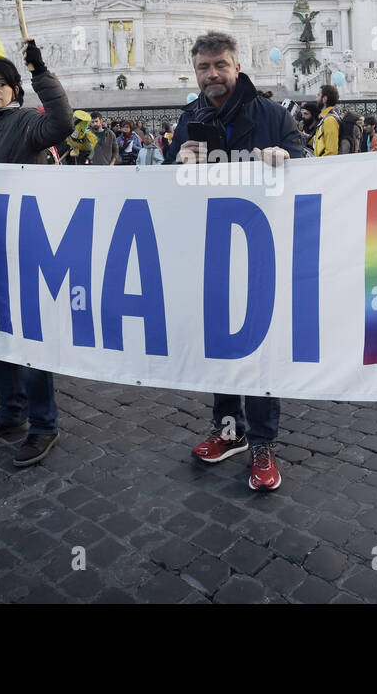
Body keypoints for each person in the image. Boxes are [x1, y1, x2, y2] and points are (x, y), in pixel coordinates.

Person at [165, 30, 307, 491]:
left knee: (260, 351)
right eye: (204, 68)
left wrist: (288, 156)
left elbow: (307, 162)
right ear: (196, 72)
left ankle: (264, 442)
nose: (212, 75)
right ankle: (230, 432)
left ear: (237, 66)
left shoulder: (268, 113)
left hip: (262, 249)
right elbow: (168, 184)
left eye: (220, 65)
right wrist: (178, 163)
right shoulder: (190, 119)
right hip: (213, 250)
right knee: (223, 348)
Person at [0, 39, 73, 467]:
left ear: (16, 92)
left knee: (28, 337)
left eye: (3, 83)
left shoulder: (25, 123)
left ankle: (44, 424)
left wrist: (41, 73)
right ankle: (11, 413)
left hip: (25, 245)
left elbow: (62, 124)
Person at [310, 84, 341, 157]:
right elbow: (320, 143)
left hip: (324, 166)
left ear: (325, 99)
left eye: (318, 95)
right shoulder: (326, 118)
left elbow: (331, 152)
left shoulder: (329, 120)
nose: (316, 99)